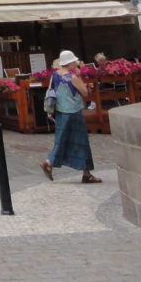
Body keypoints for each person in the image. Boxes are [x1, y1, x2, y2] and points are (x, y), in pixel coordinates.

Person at [41, 49, 102, 184]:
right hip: (74, 113)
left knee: (62, 139)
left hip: (60, 112)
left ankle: (85, 173)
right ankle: (49, 162)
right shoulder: (73, 77)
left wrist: (50, 111)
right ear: (69, 63)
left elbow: (51, 92)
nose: (76, 62)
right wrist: (80, 77)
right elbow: (85, 93)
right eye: (74, 61)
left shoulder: (55, 75)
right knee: (81, 142)